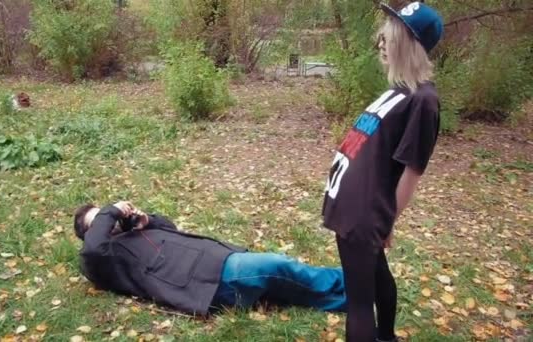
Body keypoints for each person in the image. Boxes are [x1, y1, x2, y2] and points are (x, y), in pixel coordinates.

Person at [321, 2, 444, 341]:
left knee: (359, 304)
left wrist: (387, 220)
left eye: (388, 37)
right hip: (352, 205)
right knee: (376, 273)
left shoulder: (423, 100)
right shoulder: (399, 91)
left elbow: (412, 171)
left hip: (365, 211)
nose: (380, 41)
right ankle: (388, 337)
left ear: (407, 44)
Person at [74, 201, 346, 315]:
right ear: (91, 232)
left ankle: (346, 295)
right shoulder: (100, 258)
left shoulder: (131, 232)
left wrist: (147, 220)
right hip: (205, 281)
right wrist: (108, 211)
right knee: (278, 266)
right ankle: (354, 284)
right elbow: (92, 249)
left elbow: (171, 228)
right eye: (97, 220)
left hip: (216, 260)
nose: (107, 220)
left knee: (282, 280)